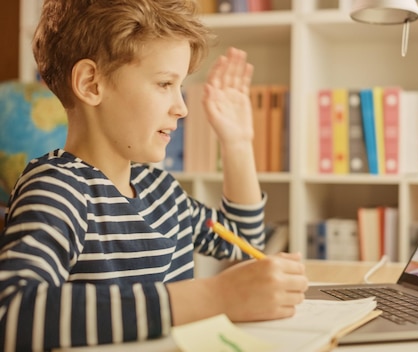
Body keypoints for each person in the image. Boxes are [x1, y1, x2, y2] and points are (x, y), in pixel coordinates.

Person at [0, 0, 308, 350]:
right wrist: (209, 297)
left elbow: (243, 242)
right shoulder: (58, 189)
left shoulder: (162, 191)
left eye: (181, 86)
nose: (182, 107)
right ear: (91, 84)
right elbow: (12, 312)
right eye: (165, 84)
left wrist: (237, 143)